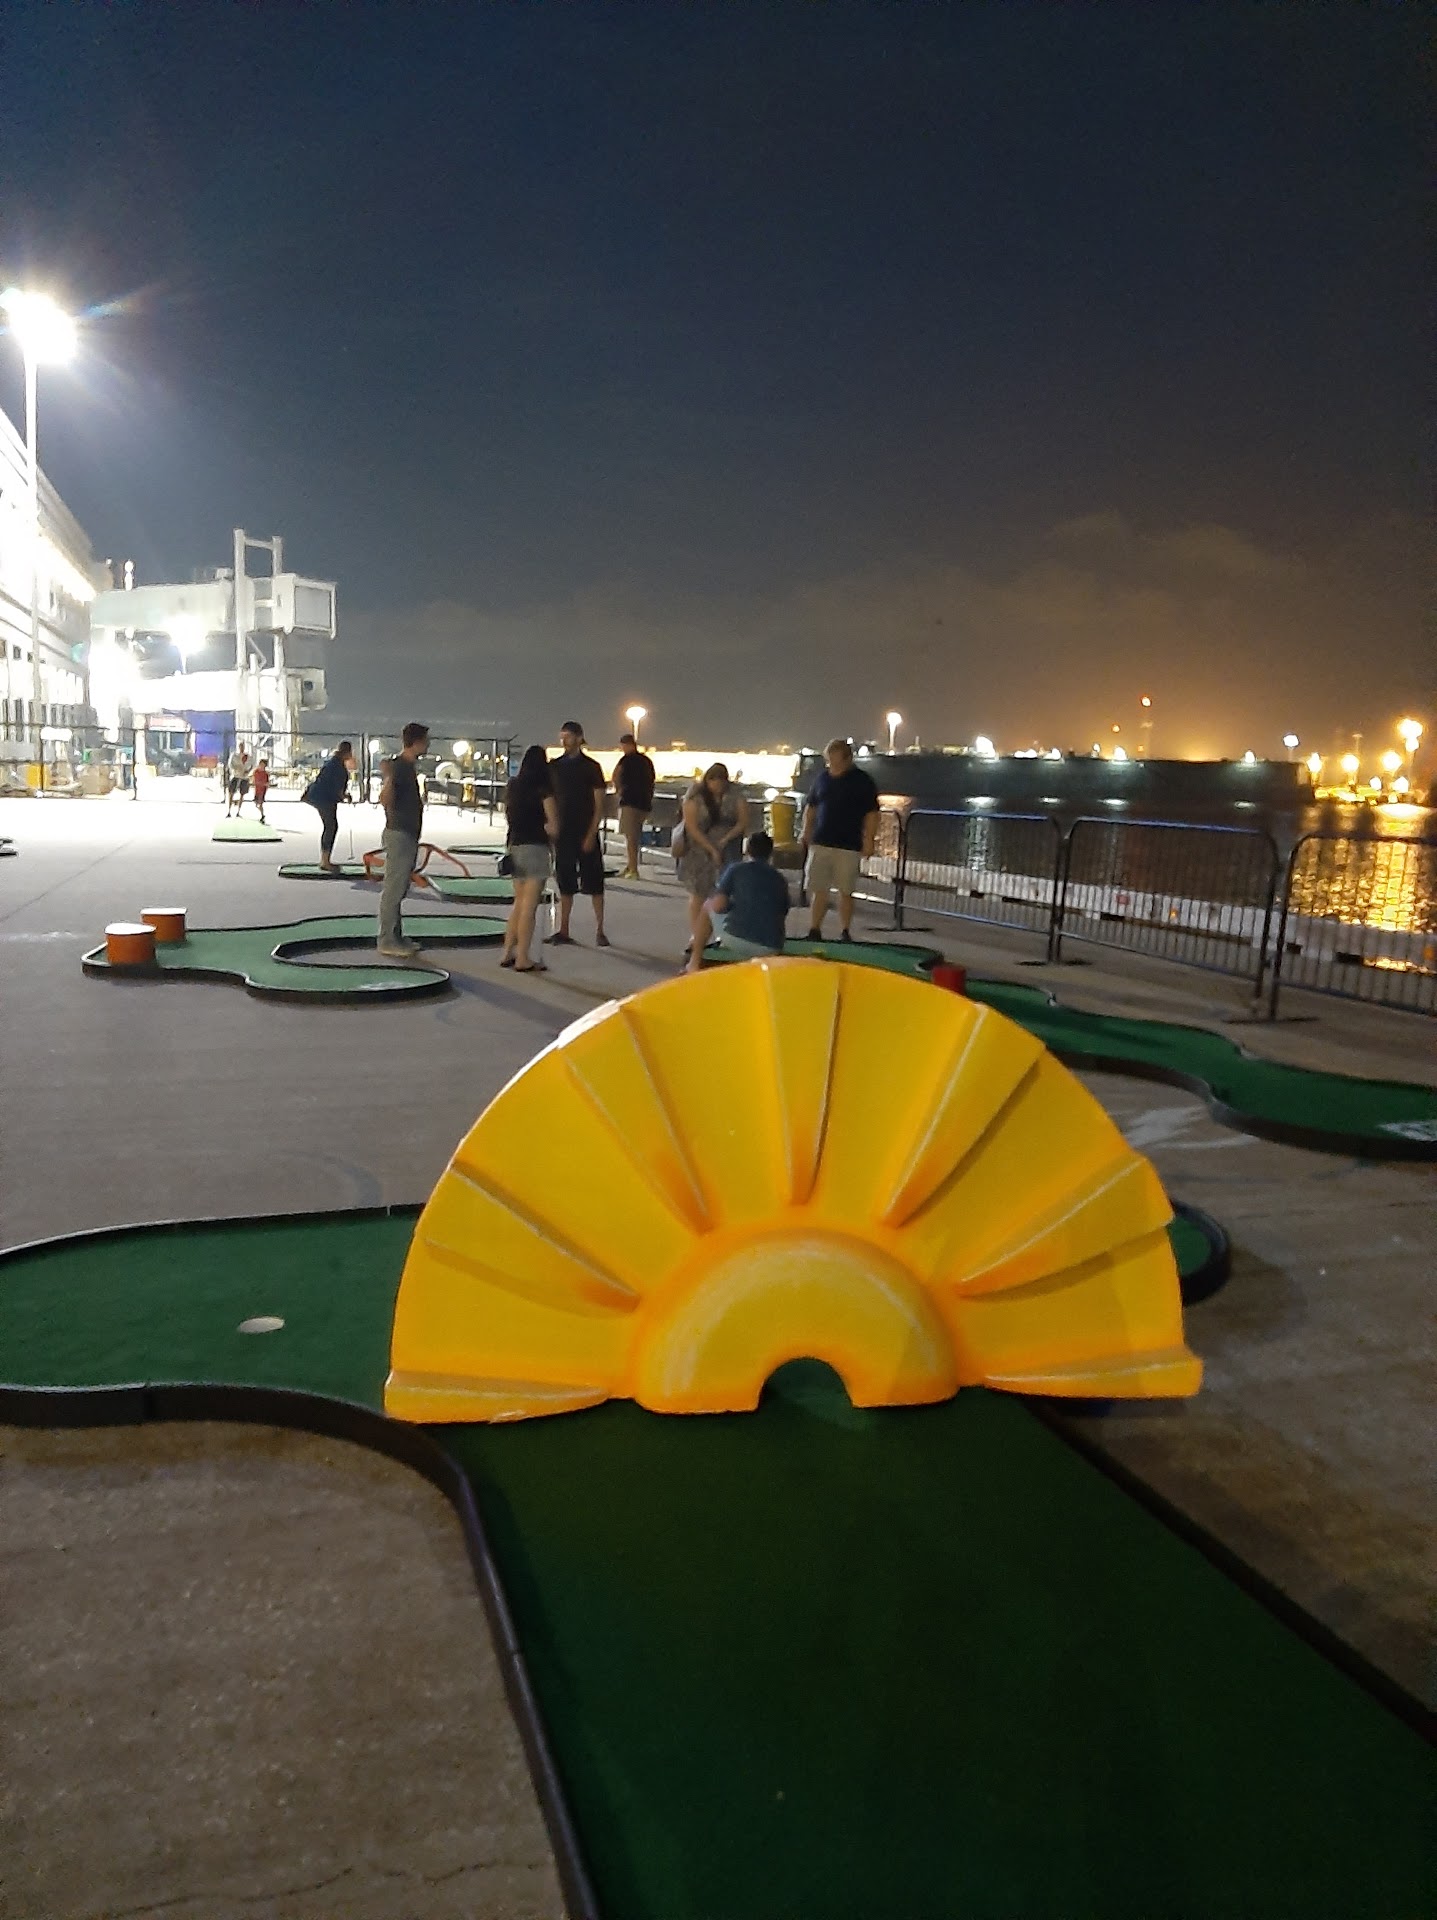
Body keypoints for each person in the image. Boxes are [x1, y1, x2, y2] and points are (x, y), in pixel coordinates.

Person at [801, 738, 880, 942]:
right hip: (821, 841)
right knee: (819, 888)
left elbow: (872, 814)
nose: (832, 766)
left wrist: (869, 840)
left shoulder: (862, 781)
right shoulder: (822, 779)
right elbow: (812, 807)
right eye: (830, 761)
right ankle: (814, 929)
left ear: (847, 759)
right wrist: (806, 830)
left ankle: (845, 930)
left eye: (836, 761)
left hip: (848, 844)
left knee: (846, 890)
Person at [678, 762, 749, 972]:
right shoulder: (695, 797)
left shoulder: (735, 795)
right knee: (698, 894)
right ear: (708, 781)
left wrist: (726, 840)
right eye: (714, 782)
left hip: (728, 849)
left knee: (723, 894)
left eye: (722, 782)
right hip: (698, 852)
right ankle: (697, 936)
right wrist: (711, 848)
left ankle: (722, 935)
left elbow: (742, 821)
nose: (718, 787)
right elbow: (691, 827)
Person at [546, 722, 610, 947]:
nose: (564, 740)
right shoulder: (554, 767)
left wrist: (592, 832)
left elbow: (599, 804)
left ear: (579, 738)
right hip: (563, 832)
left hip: (585, 829)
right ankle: (563, 929)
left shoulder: (591, 767)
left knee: (594, 881)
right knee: (565, 880)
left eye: (569, 736)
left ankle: (600, 929)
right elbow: (549, 799)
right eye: (562, 736)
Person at [502, 745, 559, 973]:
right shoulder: (544, 790)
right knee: (529, 906)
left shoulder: (513, 786)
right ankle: (523, 958)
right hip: (536, 848)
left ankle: (507, 952)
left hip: (515, 846)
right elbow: (553, 826)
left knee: (518, 903)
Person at [376, 722, 429, 958]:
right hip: (399, 834)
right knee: (394, 888)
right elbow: (385, 797)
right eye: (426, 741)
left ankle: (396, 936)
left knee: (399, 887)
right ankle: (387, 939)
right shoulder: (399, 767)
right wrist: (388, 778)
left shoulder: (406, 767)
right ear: (416, 742)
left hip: (406, 833)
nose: (428, 745)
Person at [707, 830, 791, 959]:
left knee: (707, 905)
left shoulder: (736, 869)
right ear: (770, 853)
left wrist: (731, 906)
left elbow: (718, 905)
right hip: (772, 946)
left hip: (737, 937)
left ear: (747, 850)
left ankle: (694, 960)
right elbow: (783, 911)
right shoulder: (780, 879)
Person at [304, 739, 355, 873]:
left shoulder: (333, 762)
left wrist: (343, 795)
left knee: (330, 826)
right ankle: (325, 861)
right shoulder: (338, 767)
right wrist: (345, 796)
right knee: (331, 827)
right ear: (347, 752)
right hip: (324, 798)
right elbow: (336, 788)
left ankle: (325, 859)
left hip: (319, 796)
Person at [614, 731, 656, 878]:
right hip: (645, 802)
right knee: (636, 835)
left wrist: (619, 791)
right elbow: (652, 780)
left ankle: (633, 868)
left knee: (630, 837)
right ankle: (630, 866)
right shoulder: (646, 761)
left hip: (629, 801)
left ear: (626, 745)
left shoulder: (625, 760)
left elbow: (616, 776)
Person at [225, 743, 251, 816]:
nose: (242, 748)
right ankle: (229, 810)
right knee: (231, 793)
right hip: (235, 776)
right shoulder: (234, 755)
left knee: (242, 794)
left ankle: (238, 811)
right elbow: (230, 765)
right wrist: (236, 769)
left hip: (244, 777)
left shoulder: (248, 756)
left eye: (243, 746)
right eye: (240, 746)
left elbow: (251, 765)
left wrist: (248, 771)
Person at [252, 757, 270, 824]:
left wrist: (265, 786)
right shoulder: (256, 771)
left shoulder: (265, 774)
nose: (262, 766)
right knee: (256, 804)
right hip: (257, 790)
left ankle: (262, 815)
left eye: (263, 765)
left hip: (262, 791)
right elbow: (254, 780)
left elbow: (267, 783)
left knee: (260, 804)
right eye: (261, 764)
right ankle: (262, 815)